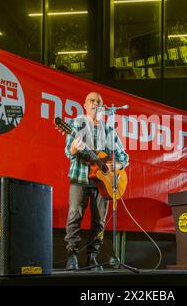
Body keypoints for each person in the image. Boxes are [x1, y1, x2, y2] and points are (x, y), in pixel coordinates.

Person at [64, 92, 129, 271]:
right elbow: (68, 152)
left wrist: (115, 167)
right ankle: (72, 256)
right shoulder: (76, 124)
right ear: (85, 104)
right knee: (74, 216)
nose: (95, 103)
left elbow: (124, 157)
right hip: (80, 177)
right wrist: (74, 148)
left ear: (103, 106)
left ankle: (92, 256)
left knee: (99, 221)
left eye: (98, 101)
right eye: (91, 101)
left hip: (103, 183)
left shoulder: (109, 130)